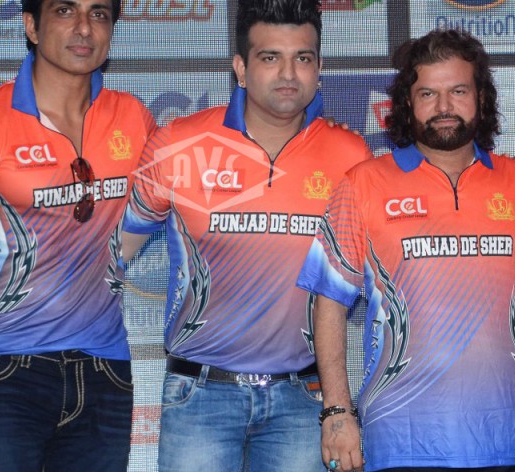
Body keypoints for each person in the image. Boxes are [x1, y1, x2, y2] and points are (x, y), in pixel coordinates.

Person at [117, 0, 373, 470]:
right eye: (270, 57)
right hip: (199, 396)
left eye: (303, 58)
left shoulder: (351, 156)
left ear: (319, 69)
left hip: (303, 400)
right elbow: (112, 252)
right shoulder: (179, 145)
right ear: (240, 68)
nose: (288, 74)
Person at [0, 0, 155, 470]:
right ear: (31, 26)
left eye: (99, 14)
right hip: (2, 374)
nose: (84, 28)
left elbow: (191, 200)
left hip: (104, 374)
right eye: (65, 10)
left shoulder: (134, 120)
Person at [297, 29, 515, 472]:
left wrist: (484, 316)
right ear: (406, 104)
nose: (444, 107)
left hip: (511, 439)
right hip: (403, 442)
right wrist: (337, 412)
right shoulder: (364, 184)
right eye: (428, 94)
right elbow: (329, 303)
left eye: (458, 91)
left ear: (481, 98)